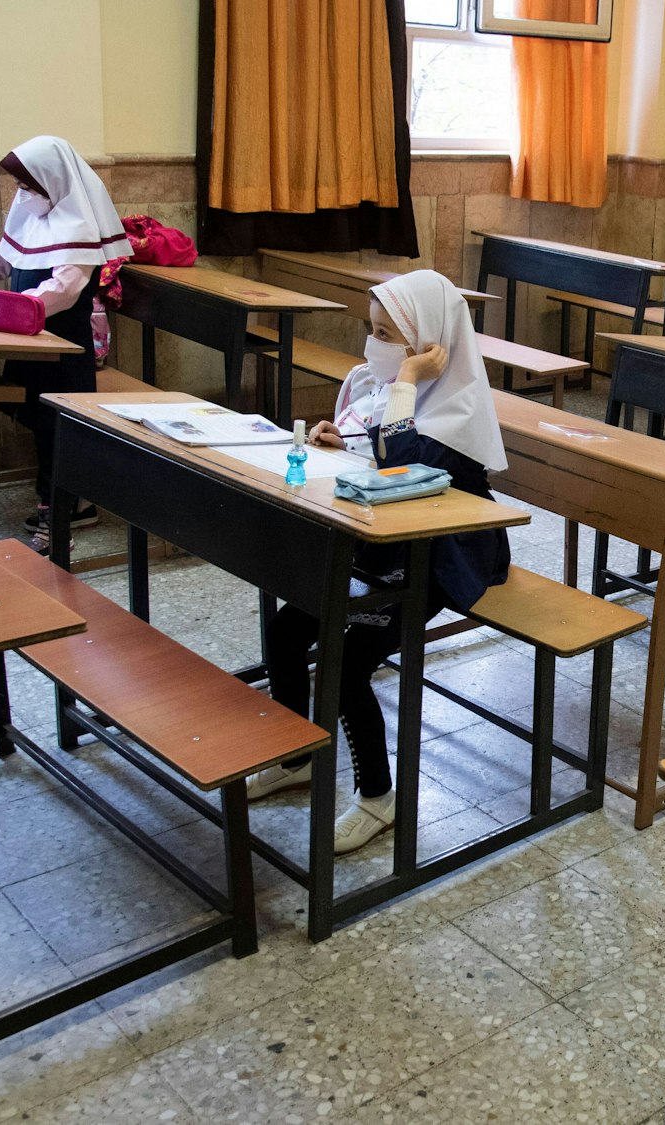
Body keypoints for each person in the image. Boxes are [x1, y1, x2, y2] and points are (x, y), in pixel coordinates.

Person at [246, 270, 511, 855]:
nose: (376, 345)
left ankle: (377, 797)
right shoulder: (388, 391)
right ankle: (295, 758)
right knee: (288, 630)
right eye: (373, 331)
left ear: (431, 342)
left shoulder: (456, 408)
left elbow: (403, 457)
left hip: (439, 556)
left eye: (388, 335)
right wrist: (342, 440)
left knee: (347, 664)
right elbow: (378, 448)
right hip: (380, 542)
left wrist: (409, 380)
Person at [0, 136, 131, 553]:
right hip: (28, 341)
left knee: (58, 428)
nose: (22, 195)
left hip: (61, 348)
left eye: (28, 187)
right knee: (38, 421)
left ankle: (58, 516)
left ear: (52, 183)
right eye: (20, 187)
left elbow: (64, 289)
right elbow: (2, 258)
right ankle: (71, 503)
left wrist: (8, 308)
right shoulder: (32, 217)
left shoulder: (78, 227)